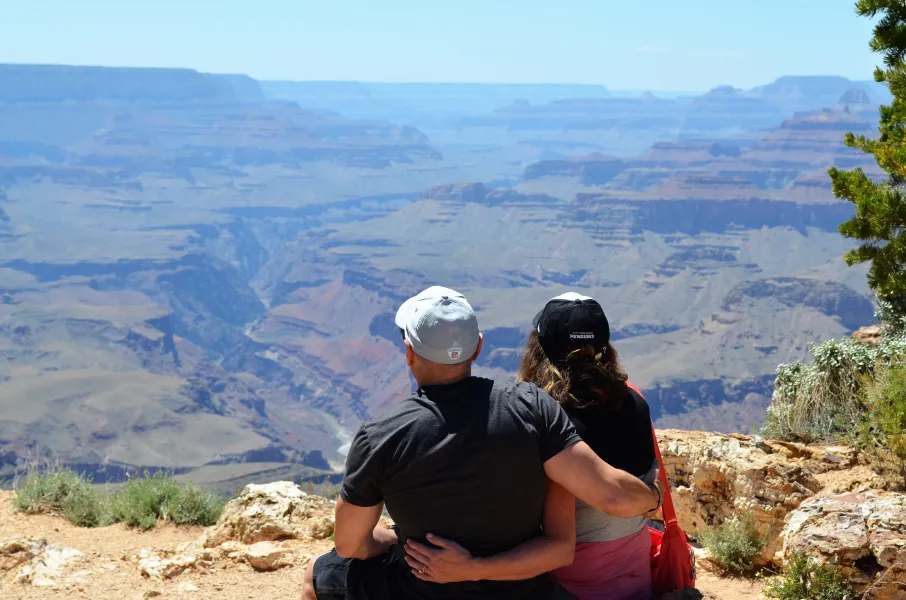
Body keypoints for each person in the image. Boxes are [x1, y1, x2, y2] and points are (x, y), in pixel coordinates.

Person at [303, 286, 662, 600]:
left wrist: (399, 543)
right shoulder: (534, 407)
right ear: (478, 347)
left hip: (421, 586)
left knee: (318, 574)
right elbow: (586, 518)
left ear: (409, 352)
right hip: (524, 589)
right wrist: (655, 499)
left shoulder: (380, 434)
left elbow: (350, 544)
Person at [406, 292, 657, 600]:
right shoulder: (635, 400)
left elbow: (550, 536)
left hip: (568, 587)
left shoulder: (543, 424)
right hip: (634, 579)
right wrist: (653, 498)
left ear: (538, 349)